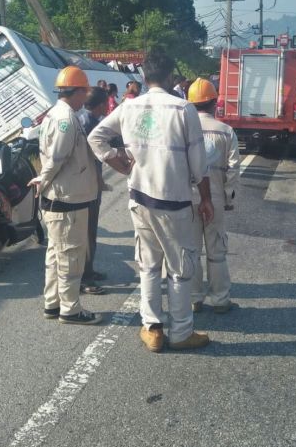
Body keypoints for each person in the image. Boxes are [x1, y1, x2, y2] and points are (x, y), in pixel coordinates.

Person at [88, 50, 214, 353]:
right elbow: (199, 163)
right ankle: (181, 332)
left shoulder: (129, 107)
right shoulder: (183, 109)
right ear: (171, 77)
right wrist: (207, 198)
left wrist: (116, 162)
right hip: (175, 203)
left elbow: (96, 137)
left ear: (144, 77)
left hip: (140, 200)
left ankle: (153, 329)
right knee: (180, 268)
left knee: (148, 265)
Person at [31, 66, 102, 325]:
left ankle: (53, 303)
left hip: (61, 197)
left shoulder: (58, 114)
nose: (86, 97)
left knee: (55, 253)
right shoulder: (66, 119)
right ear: (79, 91)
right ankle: (70, 309)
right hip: (66, 198)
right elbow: (57, 158)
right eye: (85, 91)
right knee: (71, 256)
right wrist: (43, 179)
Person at [187, 78, 240, 313]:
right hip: (216, 197)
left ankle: (194, 298)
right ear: (214, 102)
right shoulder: (226, 131)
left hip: (187, 198)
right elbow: (233, 168)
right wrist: (229, 197)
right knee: (216, 250)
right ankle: (220, 299)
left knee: (192, 250)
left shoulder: (183, 129)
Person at [78, 86, 111, 295]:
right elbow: (94, 157)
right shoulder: (90, 122)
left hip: (83, 182)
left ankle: (88, 271)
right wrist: (100, 181)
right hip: (88, 184)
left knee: (87, 231)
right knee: (87, 232)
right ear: (100, 105)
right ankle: (85, 278)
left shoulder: (81, 117)